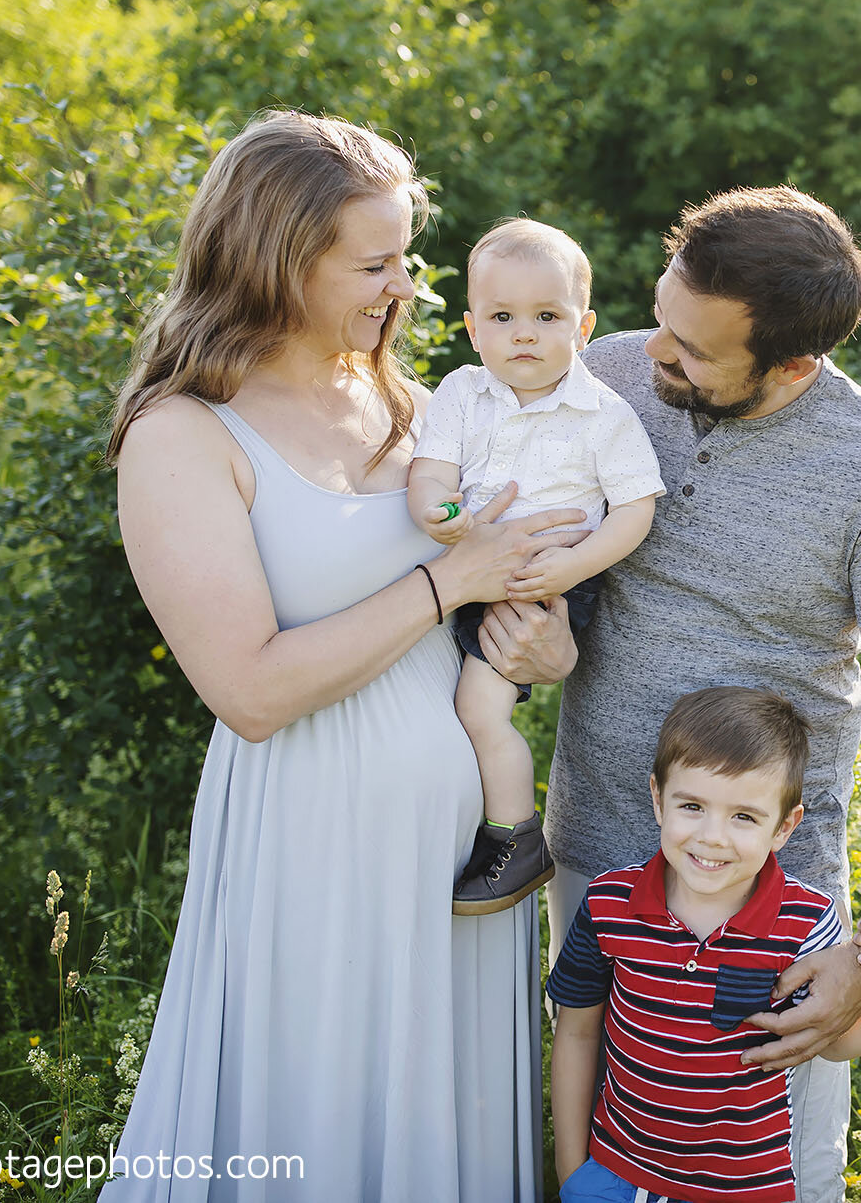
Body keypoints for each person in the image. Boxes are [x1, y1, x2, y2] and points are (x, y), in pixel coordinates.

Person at [103, 110, 576, 1202]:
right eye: (374, 263)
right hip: (313, 851)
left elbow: (488, 604)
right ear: (277, 262)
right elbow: (251, 691)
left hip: (461, 867)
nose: (403, 287)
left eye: (405, 256)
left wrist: (532, 638)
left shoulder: (418, 408)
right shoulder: (186, 433)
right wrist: (447, 582)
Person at [543, 186, 861, 1198]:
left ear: (790, 362)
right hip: (590, 871)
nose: (654, 357)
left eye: (692, 355)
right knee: (579, 1164)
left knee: (760, 1178)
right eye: (662, 319)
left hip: (766, 910)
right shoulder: (602, 378)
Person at [547, 688, 861, 1203]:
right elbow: (576, 1034)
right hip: (615, 1176)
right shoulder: (609, 904)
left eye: (744, 817)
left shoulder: (804, 922)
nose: (712, 837)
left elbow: (833, 1040)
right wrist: (573, 1171)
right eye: (692, 806)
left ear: (784, 826)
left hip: (742, 1190)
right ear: (658, 799)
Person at [408, 218, 664, 916]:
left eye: (546, 316)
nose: (524, 333)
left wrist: (570, 566)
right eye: (503, 316)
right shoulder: (463, 393)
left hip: (540, 585)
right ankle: (464, 822)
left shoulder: (602, 413)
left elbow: (635, 509)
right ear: (471, 328)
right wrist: (439, 511)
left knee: (478, 706)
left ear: (582, 327)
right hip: (466, 564)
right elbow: (431, 470)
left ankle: (516, 837)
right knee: (436, 701)